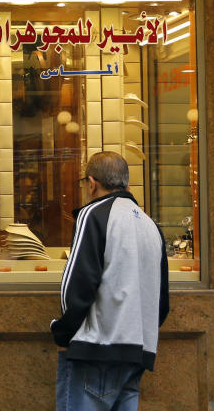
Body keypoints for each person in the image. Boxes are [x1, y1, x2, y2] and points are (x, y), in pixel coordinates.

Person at [51, 151, 169, 411]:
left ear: (92, 183)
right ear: (126, 184)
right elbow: (161, 303)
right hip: (138, 353)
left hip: (96, 350)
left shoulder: (92, 214)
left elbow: (77, 284)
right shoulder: (151, 226)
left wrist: (62, 331)